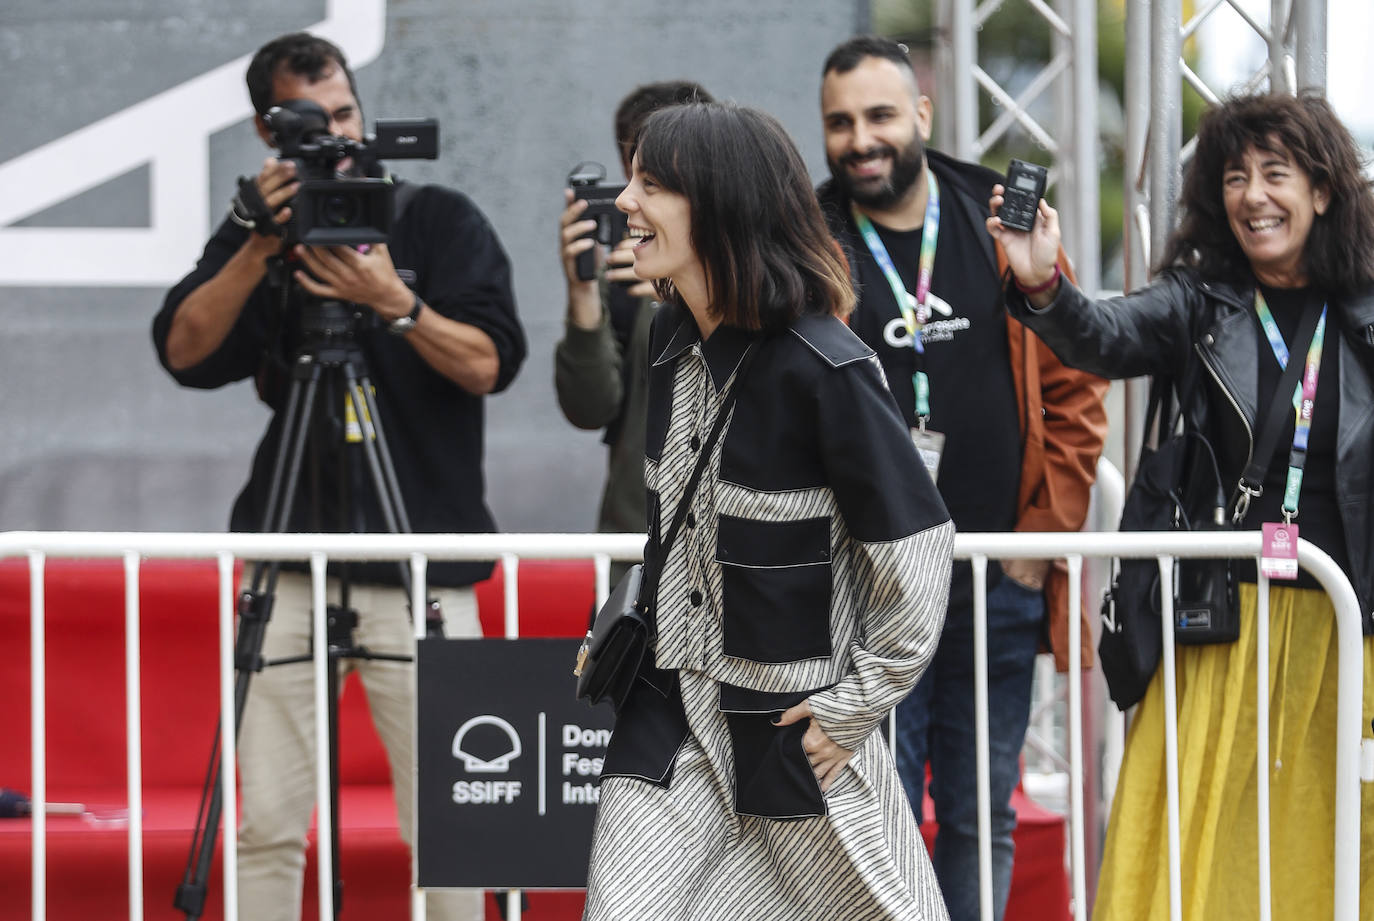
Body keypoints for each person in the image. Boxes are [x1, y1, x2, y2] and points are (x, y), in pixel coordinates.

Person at [151, 32, 526, 921]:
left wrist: (393, 305)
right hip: (293, 559)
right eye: (312, 124)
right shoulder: (264, 233)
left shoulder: (439, 221)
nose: (339, 141)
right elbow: (184, 350)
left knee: (452, 820)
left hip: (422, 560)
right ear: (269, 132)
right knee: (269, 820)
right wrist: (254, 245)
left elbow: (488, 364)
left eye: (348, 115)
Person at [989, 89, 1374, 921]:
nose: (1253, 195)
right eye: (1235, 177)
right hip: (1222, 624)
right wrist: (1042, 280)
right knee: (1193, 836)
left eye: (1277, 173)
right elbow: (1100, 334)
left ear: (1323, 190)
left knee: (1334, 833)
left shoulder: (1366, 313)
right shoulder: (1201, 301)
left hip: (1346, 628)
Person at [581, 101, 955, 921]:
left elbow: (919, 552)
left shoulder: (829, 369)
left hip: (787, 729)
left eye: (650, 184)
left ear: (718, 205)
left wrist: (853, 706)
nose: (625, 203)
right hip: (668, 714)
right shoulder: (666, 341)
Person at [815, 35, 1109, 921]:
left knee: (982, 813)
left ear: (923, 116)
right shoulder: (810, 238)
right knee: (881, 811)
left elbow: (1077, 388)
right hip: (869, 582)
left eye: (878, 116)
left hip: (994, 574)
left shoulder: (999, 218)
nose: (860, 140)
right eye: (839, 123)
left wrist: (1040, 543)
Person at [555, 81, 713, 570]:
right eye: (637, 174)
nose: (632, 200)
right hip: (637, 538)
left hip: (729, 537)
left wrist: (687, 289)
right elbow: (589, 407)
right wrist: (584, 289)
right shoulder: (625, 269)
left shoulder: (756, 276)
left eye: (661, 177)